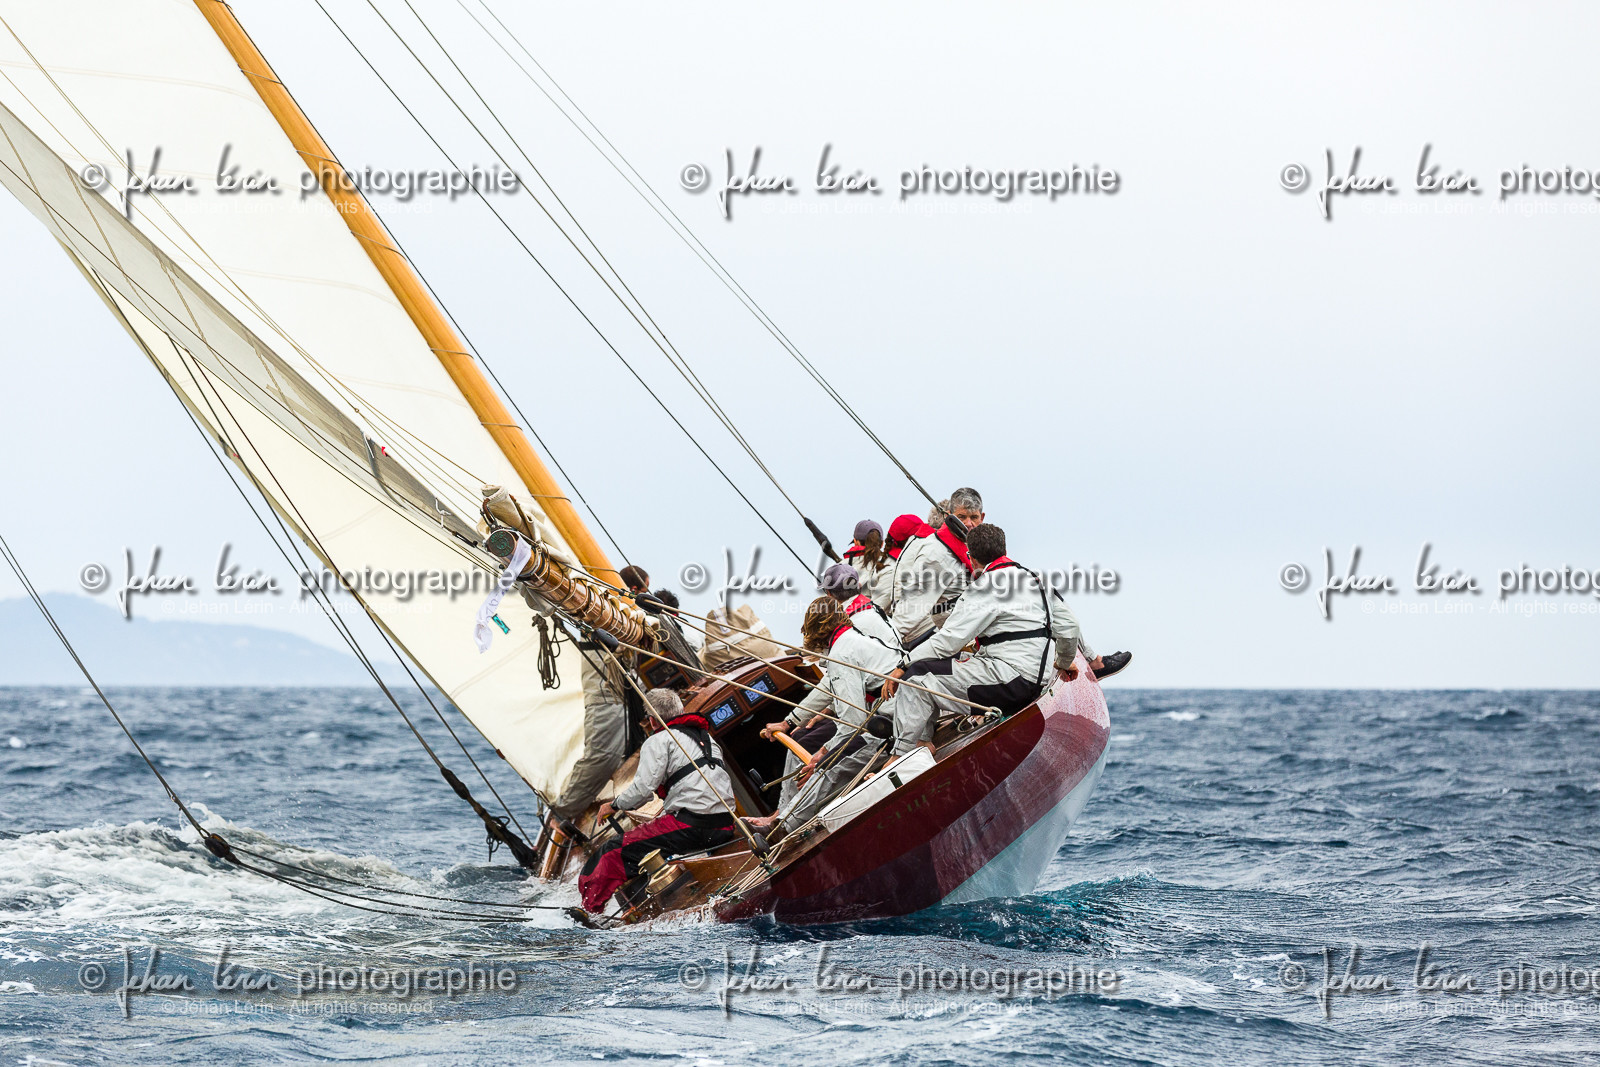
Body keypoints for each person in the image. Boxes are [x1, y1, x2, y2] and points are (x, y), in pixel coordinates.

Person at [883, 523, 1089, 755]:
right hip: (1037, 680)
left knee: (916, 678)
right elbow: (1071, 626)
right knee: (932, 667)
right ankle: (921, 742)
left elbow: (946, 642)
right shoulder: (1037, 580)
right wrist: (1062, 662)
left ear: (971, 557)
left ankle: (903, 753)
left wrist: (903, 665)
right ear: (1003, 549)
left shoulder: (984, 587)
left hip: (1011, 683)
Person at [750, 596, 905, 834]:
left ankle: (782, 829)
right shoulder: (850, 640)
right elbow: (828, 686)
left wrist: (823, 755)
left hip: (897, 725)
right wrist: (789, 721)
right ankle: (782, 816)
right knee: (825, 758)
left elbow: (852, 722)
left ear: (816, 632)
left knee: (831, 767)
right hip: (901, 714)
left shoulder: (842, 652)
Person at [578, 688, 740, 913]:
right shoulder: (706, 739)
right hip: (724, 825)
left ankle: (590, 912)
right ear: (680, 710)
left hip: (693, 826)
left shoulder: (659, 740)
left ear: (652, 720)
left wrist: (613, 805)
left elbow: (643, 789)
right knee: (651, 842)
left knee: (611, 850)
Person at [762, 564, 898, 807]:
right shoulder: (870, 611)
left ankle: (784, 816)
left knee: (803, 745)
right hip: (888, 702)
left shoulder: (849, 634)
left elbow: (842, 696)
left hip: (886, 713)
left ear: (830, 596)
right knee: (809, 734)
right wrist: (798, 718)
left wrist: (819, 751)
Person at [887, 488, 981, 647]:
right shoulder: (938, 553)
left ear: (982, 518)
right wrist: (880, 648)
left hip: (967, 634)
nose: (968, 523)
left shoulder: (968, 547)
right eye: (962, 517)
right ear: (948, 516)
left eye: (974, 517)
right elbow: (909, 611)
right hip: (939, 636)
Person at [841, 520, 894, 608]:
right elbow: (881, 605)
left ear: (855, 542)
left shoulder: (839, 567)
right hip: (873, 619)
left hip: (843, 619)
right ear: (882, 544)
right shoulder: (888, 565)